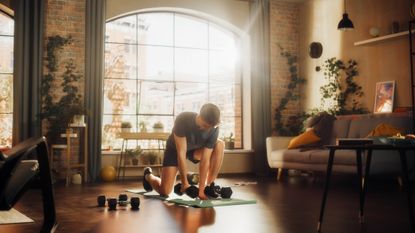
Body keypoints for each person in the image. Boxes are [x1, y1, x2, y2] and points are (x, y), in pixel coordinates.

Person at [143, 103, 224, 200]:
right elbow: (181, 154)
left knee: (219, 144)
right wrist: (185, 184)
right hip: (175, 150)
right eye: (205, 125)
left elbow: (205, 160)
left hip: (195, 151)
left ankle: (209, 185)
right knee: (165, 191)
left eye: (210, 127)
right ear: (200, 116)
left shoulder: (213, 129)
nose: (208, 129)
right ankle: (148, 176)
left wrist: (202, 190)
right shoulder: (183, 119)